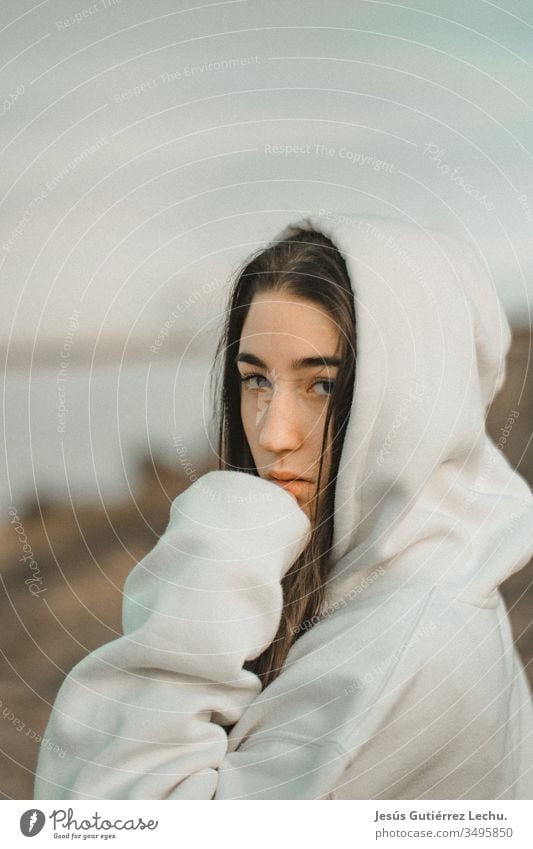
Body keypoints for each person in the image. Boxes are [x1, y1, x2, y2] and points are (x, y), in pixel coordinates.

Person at [33, 213, 533, 800]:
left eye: (321, 384)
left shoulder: (406, 644)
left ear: (409, 404)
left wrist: (211, 566)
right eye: (256, 381)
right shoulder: (386, 585)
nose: (273, 435)